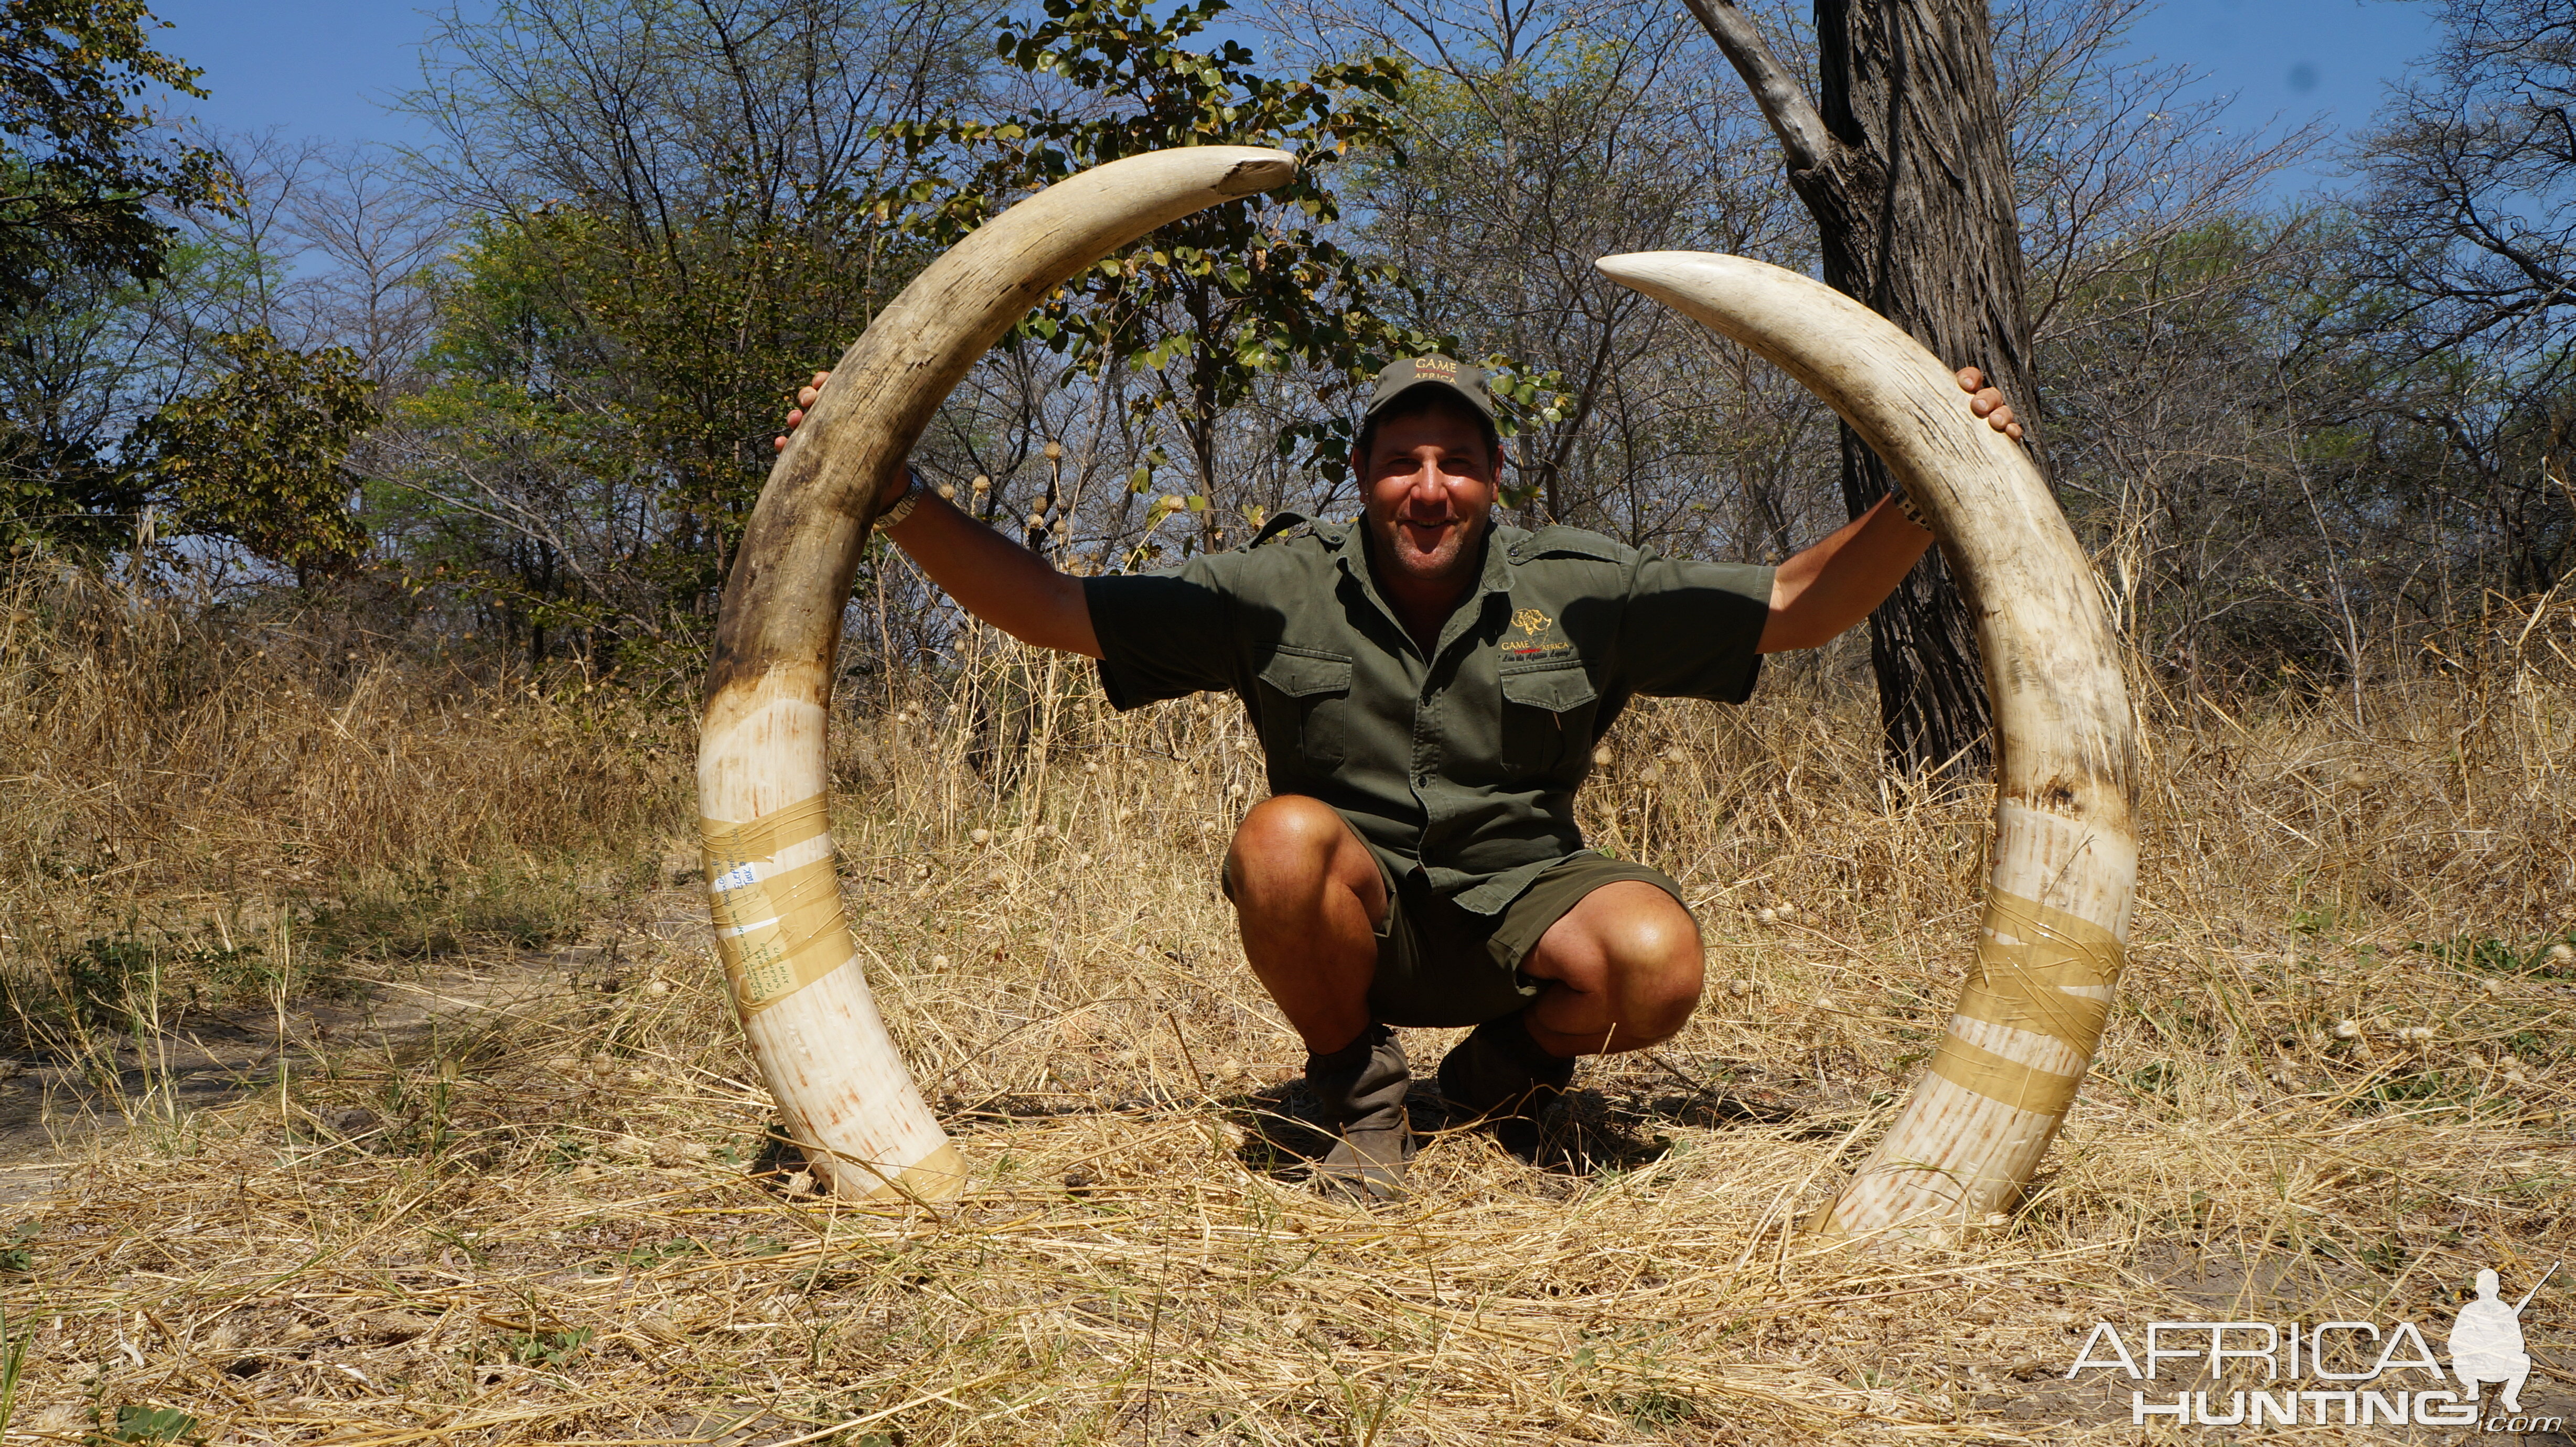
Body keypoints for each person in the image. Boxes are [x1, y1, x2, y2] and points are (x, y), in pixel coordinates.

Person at [778, 356, 2022, 1201]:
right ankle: (1358, 1089)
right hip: (1353, 918)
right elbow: (1051, 608)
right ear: (1362, 476)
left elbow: (1799, 608)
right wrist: (898, 499)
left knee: (1656, 960)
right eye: (1399, 462)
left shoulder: (1579, 584)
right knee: (1279, 839)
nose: (1429, 488)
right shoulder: (1275, 585)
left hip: (1520, 902)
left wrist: (1926, 489)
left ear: (1493, 479)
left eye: (1458, 462)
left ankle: (1502, 1078)